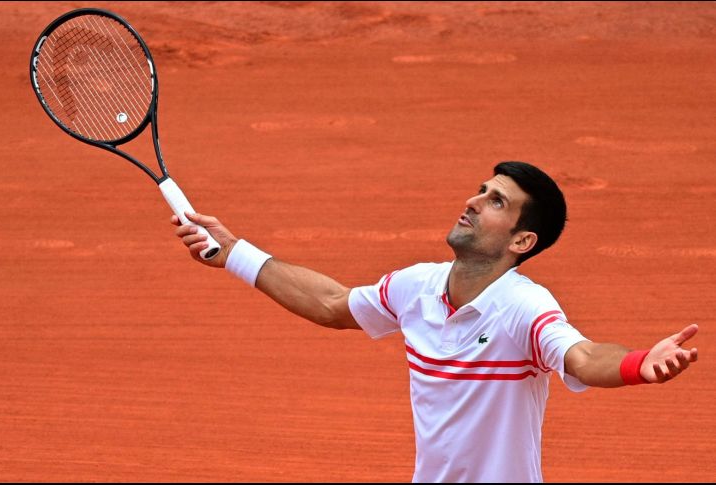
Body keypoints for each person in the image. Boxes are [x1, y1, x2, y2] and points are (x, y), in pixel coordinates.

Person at [170, 161, 698, 483]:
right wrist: (235, 252)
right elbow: (333, 303)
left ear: (521, 242)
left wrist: (635, 363)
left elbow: (581, 356)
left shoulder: (524, 307)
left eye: (496, 202)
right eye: (481, 190)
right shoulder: (417, 286)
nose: (472, 202)